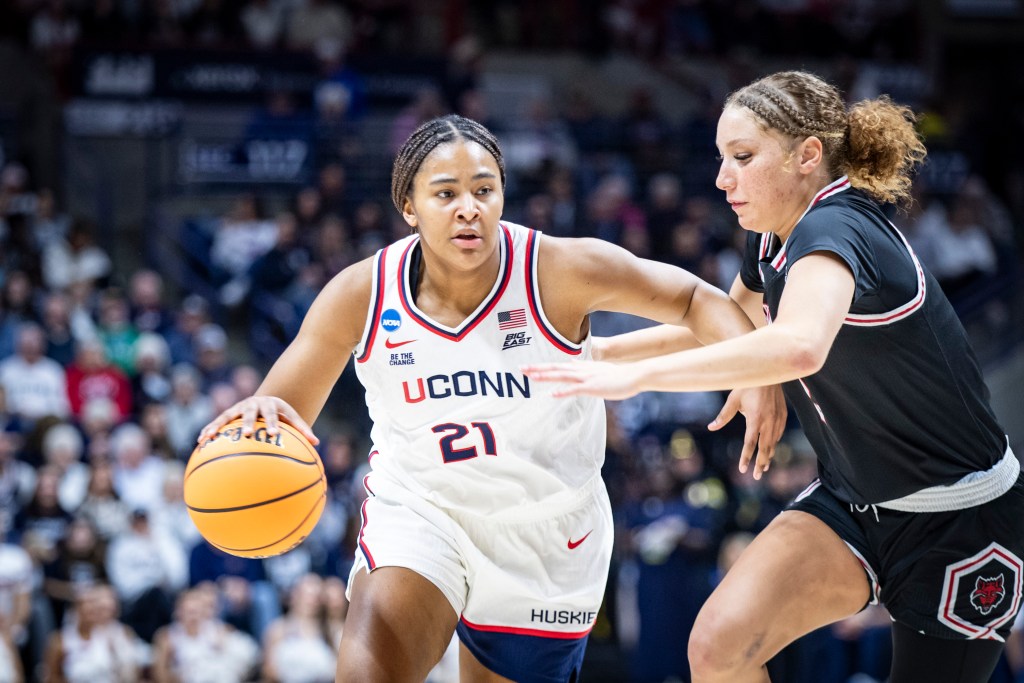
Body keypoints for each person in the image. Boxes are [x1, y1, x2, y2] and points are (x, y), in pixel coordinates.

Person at [198, 114, 783, 683]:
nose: (468, 208)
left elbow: (695, 300)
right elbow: (281, 411)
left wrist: (754, 372)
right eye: (445, 193)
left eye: (484, 189)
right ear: (409, 208)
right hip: (422, 510)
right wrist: (265, 416)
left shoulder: (557, 269)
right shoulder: (362, 292)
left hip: (548, 530)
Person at [523, 70, 1024, 683]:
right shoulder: (770, 238)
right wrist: (598, 355)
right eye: (720, 158)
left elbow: (798, 347)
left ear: (806, 156)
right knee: (717, 646)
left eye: (741, 157)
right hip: (854, 503)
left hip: (959, 521)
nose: (721, 178)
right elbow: (728, 328)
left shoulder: (838, 228)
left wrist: (639, 379)